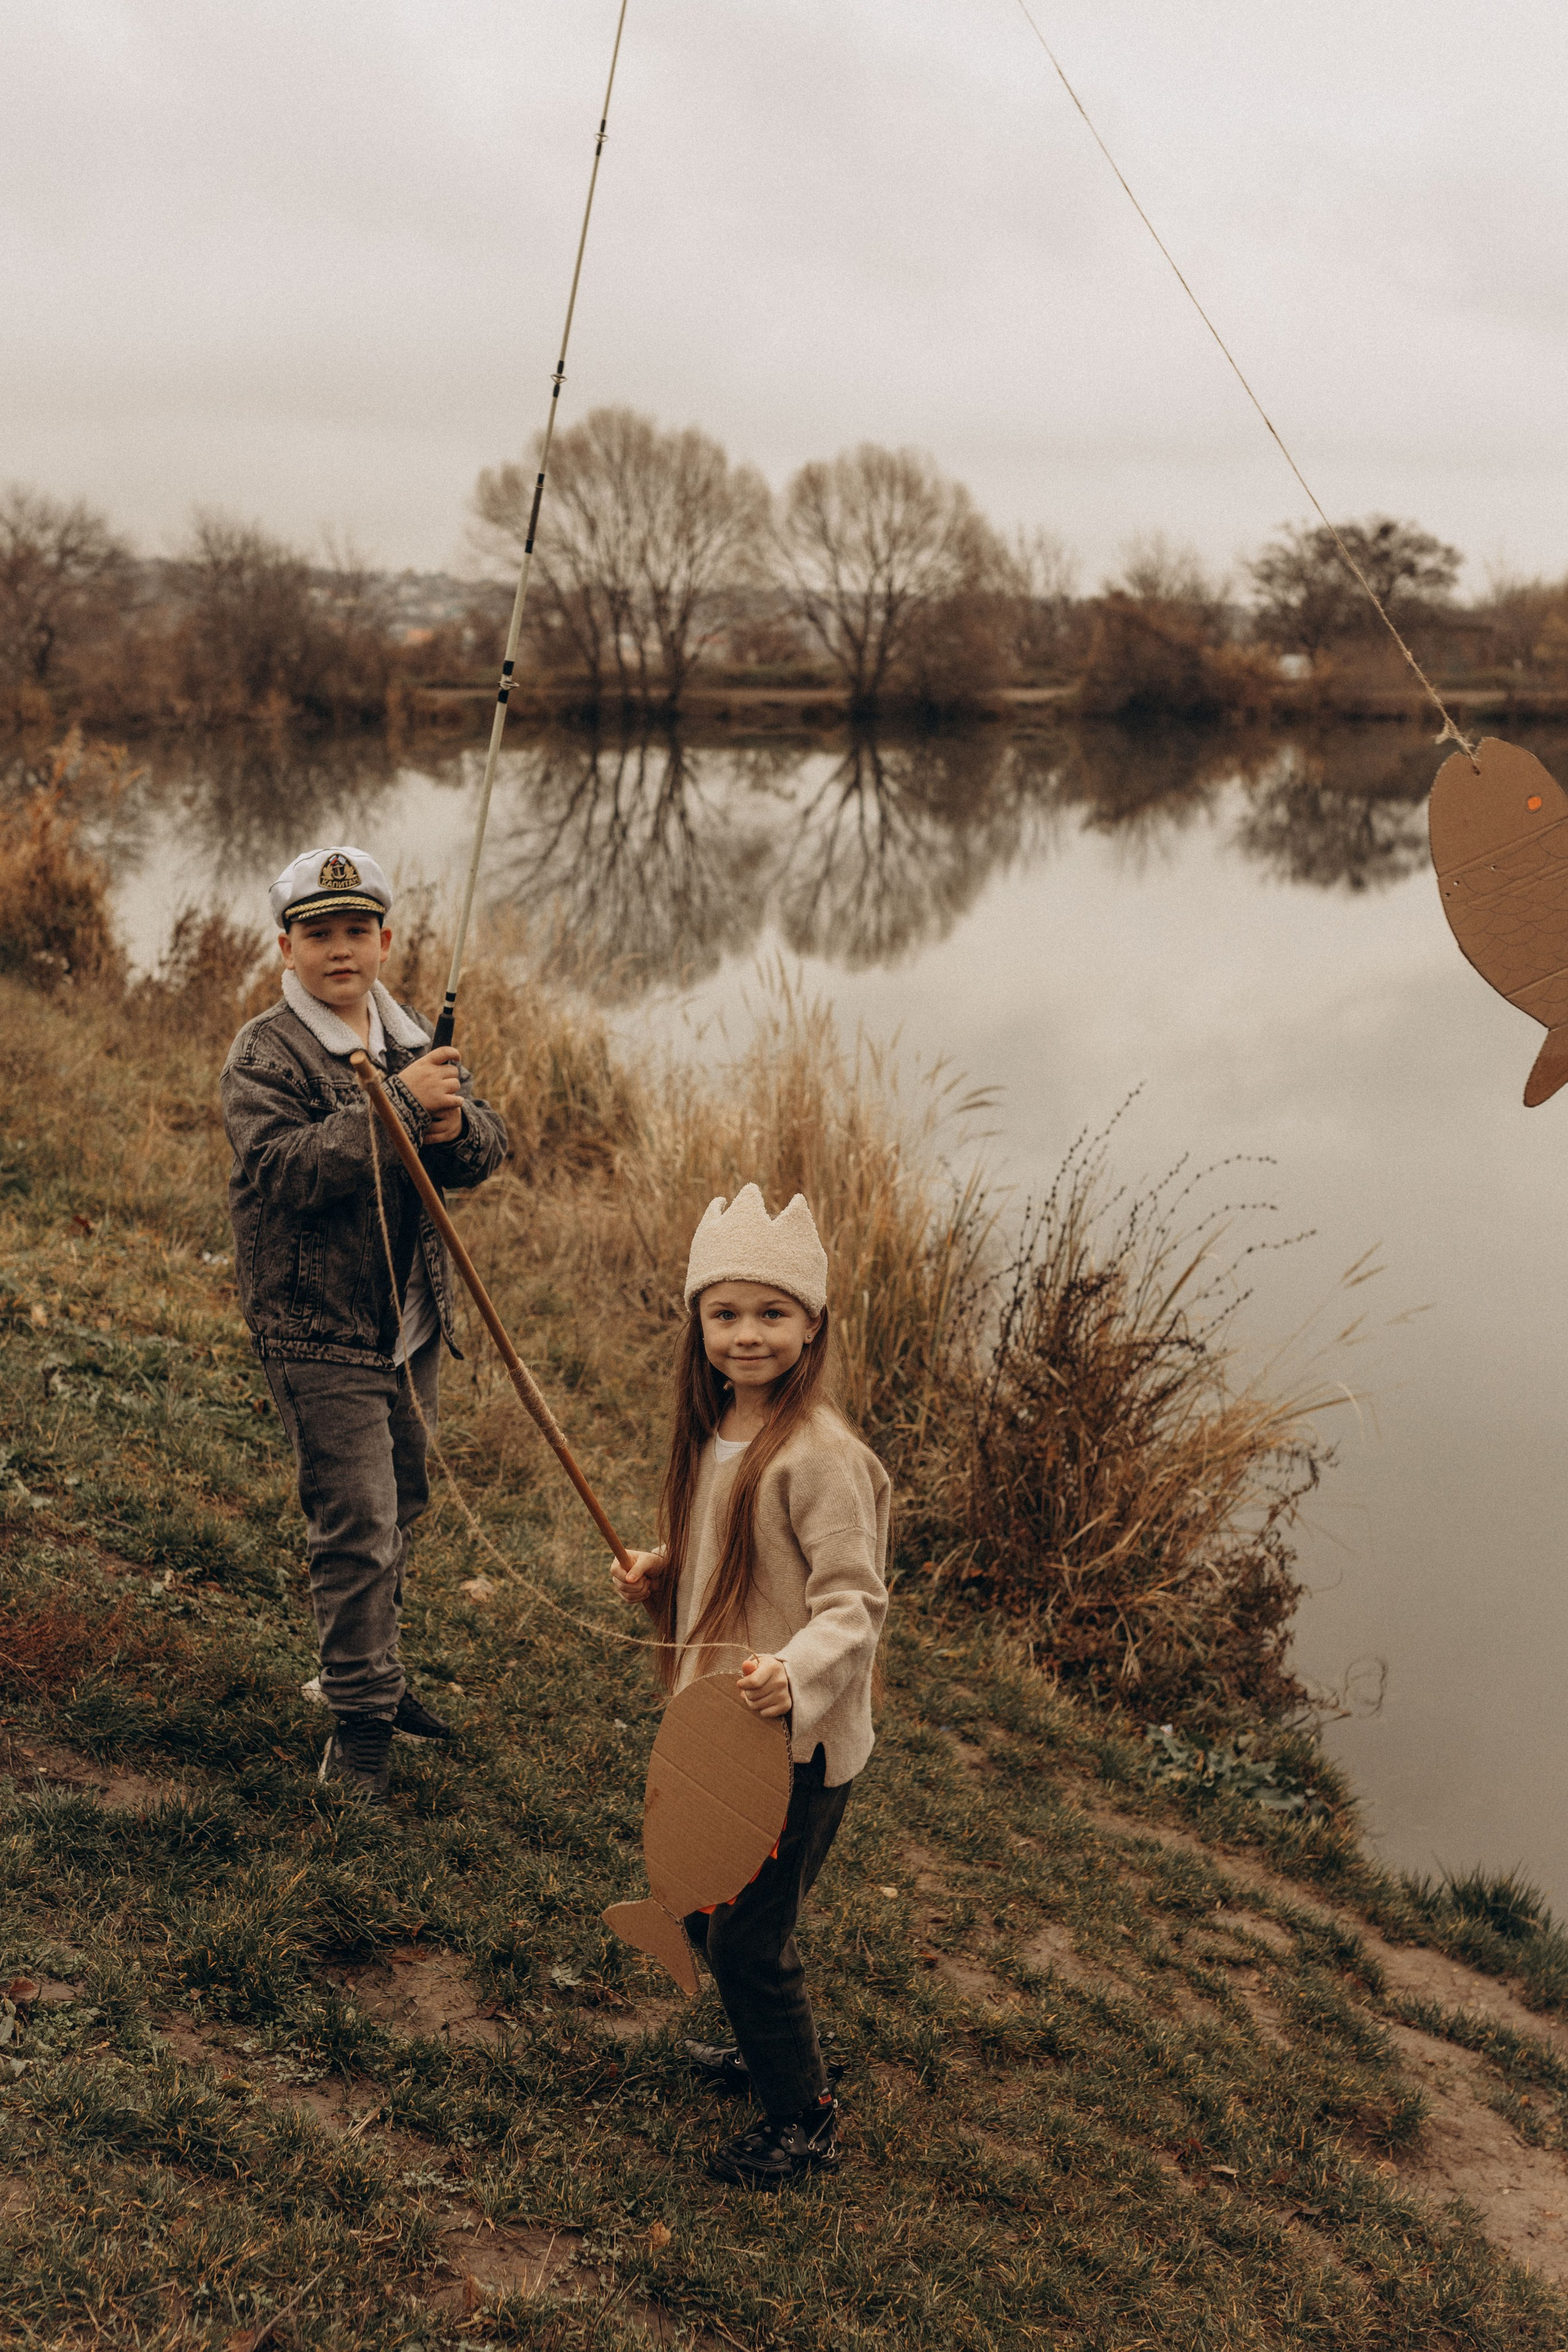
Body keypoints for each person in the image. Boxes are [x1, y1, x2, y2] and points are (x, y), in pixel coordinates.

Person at [612, 1185, 889, 2188]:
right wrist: (668, 1570)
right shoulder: (718, 1430)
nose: (747, 1335)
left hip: (796, 1751)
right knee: (722, 1906)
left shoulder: (824, 1460)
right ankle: (768, 2052)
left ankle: (801, 2117)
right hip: (722, 1735)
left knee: (748, 1941)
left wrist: (793, 1671)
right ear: (697, 1321)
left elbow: (853, 1606)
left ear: (812, 1325)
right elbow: (737, 1559)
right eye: (725, 1313)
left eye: (773, 1314)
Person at [221, 845, 508, 1803]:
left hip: (408, 1321)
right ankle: (359, 1735)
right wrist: (393, 1108)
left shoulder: (411, 1038)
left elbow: (480, 1149)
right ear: (285, 947)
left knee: (405, 1505)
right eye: (318, 933)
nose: (339, 950)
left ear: (385, 940)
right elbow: (287, 1172)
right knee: (358, 1520)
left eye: (357, 931)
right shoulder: (266, 1053)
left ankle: (368, 1672)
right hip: (315, 1326)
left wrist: (452, 1129)